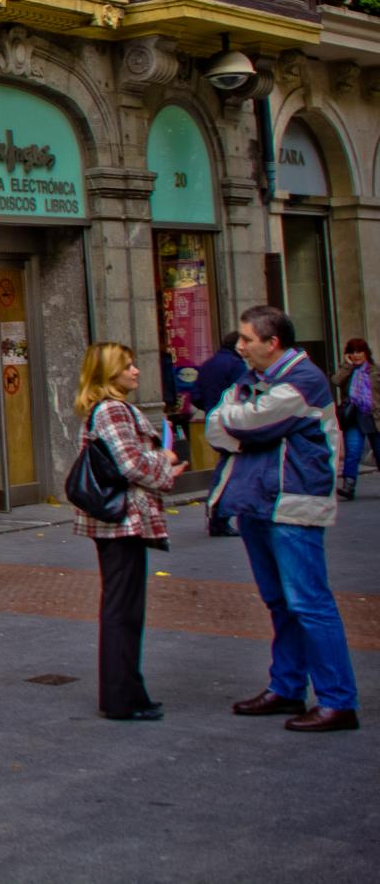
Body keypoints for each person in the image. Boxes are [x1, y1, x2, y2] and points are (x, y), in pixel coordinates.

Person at [206, 305, 360, 733]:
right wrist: (240, 425)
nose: (239, 346)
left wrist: (240, 425)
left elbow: (249, 422)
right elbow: (216, 427)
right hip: (257, 502)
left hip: (293, 505)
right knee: (280, 602)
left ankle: (337, 699)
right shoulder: (253, 379)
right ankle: (287, 686)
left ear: (272, 343)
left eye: (247, 339)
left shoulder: (304, 381)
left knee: (309, 603)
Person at [70, 342, 180, 721]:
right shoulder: (113, 410)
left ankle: (129, 691)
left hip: (121, 520)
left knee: (124, 606)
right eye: (127, 366)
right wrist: (164, 462)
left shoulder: (109, 409)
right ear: (109, 374)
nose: (136, 371)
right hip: (123, 519)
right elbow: (130, 463)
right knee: (122, 608)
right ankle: (122, 696)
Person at [191, 331, 248, 535]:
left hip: (213, 419)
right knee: (229, 469)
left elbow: (195, 395)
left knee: (224, 467)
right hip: (231, 421)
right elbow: (244, 395)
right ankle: (220, 517)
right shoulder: (237, 365)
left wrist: (209, 407)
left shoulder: (208, 364)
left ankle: (216, 515)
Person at [330, 338, 375, 501]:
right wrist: (347, 365)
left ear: (365, 353)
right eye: (352, 352)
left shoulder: (374, 371)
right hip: (354, 418)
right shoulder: (347, 371)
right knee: (353, 452)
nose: (356, 355)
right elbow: (336, 380)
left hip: (373, 417)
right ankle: (349, 486)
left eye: (359, 352)